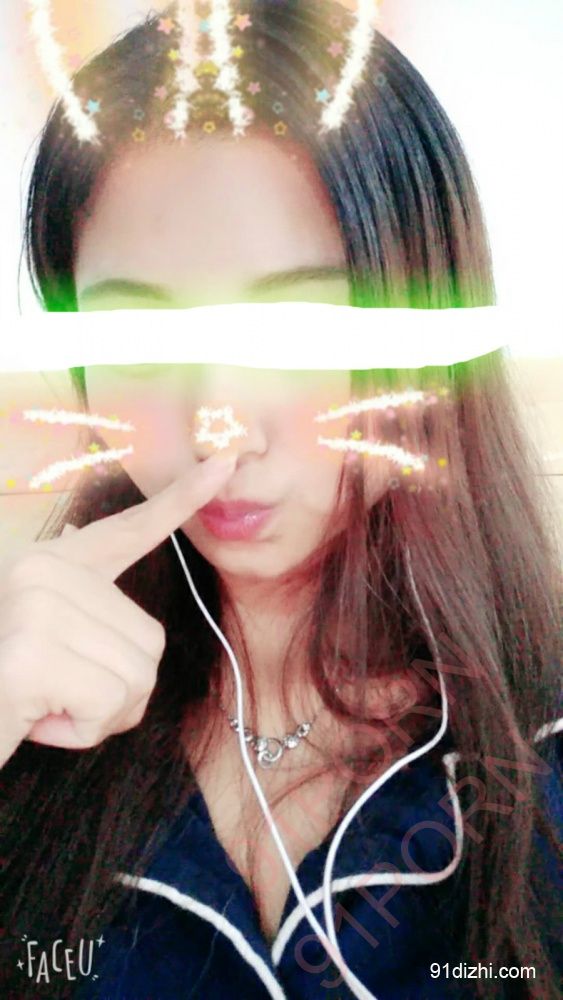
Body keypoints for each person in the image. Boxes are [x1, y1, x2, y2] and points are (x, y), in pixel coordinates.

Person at [1, 1, 560, 997]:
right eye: (140, 337)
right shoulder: (28, 715)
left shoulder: (542, 750)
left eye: (299, 329)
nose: (221, 427)